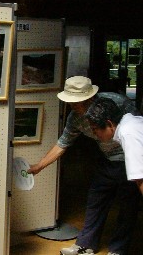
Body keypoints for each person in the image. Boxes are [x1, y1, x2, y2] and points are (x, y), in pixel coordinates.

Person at [27, 76, 141, 255]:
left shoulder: (118, 103)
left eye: (75, 102)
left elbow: (137, 130)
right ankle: (86, 244)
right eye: (69, 102)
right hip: (106, 159)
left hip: (131, 158)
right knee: (95, 200)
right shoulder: (75, 118)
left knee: (128, 206)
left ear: (89, 97)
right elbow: (63, 143)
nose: (72, 105)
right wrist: (39, 166)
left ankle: (118, 250)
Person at [85, 97, 143, 195]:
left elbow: (140, 179)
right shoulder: (131, 122)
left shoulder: (127, 134)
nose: (94, 134)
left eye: (95, 129)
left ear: (109, 124)